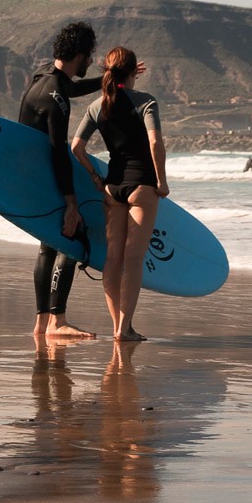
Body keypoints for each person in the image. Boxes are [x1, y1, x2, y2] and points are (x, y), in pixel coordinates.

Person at [71, 46, 167, 342]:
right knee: (133, 259)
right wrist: (161, 181)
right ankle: (125, 328)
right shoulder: (146, 102)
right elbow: (155, 143)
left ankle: (116, 325)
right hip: (141, 186)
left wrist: (95, 177)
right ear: (131, 72)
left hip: (113, 188)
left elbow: (76, 147)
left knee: (113, 259)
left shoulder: (97, 106)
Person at [19, 21, 104, 338]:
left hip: (33, 180)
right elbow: (58, 151)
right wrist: (71, 203)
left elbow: (71, 87)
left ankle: (42, 322)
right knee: (72, 239)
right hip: (50, 179)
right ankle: (57, 321)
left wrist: (106, 80)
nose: (92, 62)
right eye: (90, 56)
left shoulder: (43, 78)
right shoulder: (56, 99)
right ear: (79, 54)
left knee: (47, 248)